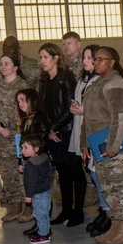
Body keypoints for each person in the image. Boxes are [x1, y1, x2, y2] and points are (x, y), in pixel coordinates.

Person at [82, 47, 123, 244]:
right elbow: (88, 118)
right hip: (98, 145)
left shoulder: (116, 84)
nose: (96, 62)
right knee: (107, 189)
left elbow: (121, 118)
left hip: (115, 146)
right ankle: (115, 225)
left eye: (100, 59)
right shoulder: (96, 84)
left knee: (119, 189)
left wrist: (113, 146)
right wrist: (84, 144)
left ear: (112, 62)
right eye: (95, 59)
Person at [37, 42, 82, 227]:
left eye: (45, 57)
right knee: (62, 173)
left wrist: (55, 127)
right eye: (40, 58)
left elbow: (69, 108)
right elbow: (43, 107)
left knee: (75, 172)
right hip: (52, 133)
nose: (42, 61)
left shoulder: (66, 79)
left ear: (56, 58)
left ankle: (77, 212)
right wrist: (49, 130)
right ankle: (66, 210)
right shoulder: (44, 80)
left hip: (67, 131)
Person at [0, 54, 30, 223]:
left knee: (23, 174)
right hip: (1, 140)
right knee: (7, 174)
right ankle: (15, 205)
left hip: (20, 139)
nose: (3, 66)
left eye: (7, 63)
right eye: (1, 64)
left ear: (16, 67)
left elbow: (29, 111)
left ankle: (28, 207)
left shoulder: (24, 87)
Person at [68, 45, 103, 231]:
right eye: (85, 57)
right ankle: (101, 211)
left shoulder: (101, 80)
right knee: (90, 173)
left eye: (91, 57)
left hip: (96, 132)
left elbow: (105, 109)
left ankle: (106, 213)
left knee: (99, 176)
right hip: (82, 130)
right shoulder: (82, 80)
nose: (86, 61)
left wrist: (84, 110)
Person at [16, 88, 51, 238]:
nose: (20, 104)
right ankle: (39, 224)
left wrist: (28, 158)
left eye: (23, 100)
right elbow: (22, 143)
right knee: (37, 199)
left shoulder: (40, 118)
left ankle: (43, 227)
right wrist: (21, 159)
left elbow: (38, 142)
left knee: (41, 197)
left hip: (38, 162)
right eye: (18, 101)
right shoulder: (26, 118)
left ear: (32, 100)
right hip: (30, 160)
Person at [20, 134, 53, 244]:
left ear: (36, 149)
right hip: (45, 191)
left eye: (25, 147)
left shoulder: (30, 165)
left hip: (37, 194)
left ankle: (43, 235)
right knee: (45, 214)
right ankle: (47, 231)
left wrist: (28, 196)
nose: (22, 150)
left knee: (39, 214)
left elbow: (31, 181)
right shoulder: (43, 158)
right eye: (22, 147)